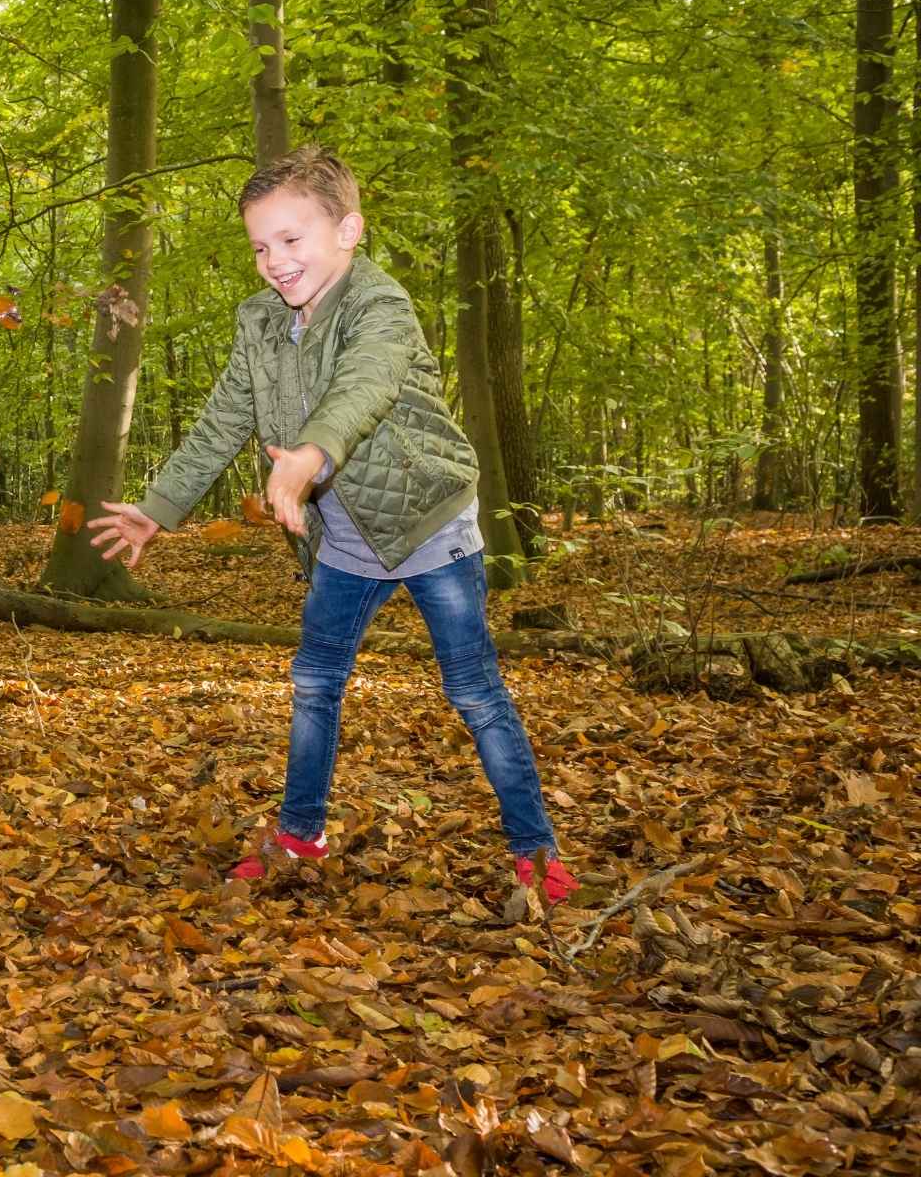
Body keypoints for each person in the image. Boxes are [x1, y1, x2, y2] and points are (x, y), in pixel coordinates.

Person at [87, 145, 579, 904]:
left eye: (291, 240)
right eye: (259, 246)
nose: (274, 262)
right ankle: (300, 834)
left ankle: (535, 852)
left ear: (348, 230)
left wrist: (310, 455)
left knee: (475, 692)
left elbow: (363, 386)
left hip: (428, 528)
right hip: (345, 545)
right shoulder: (258, 322)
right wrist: (159, 510)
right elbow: (223, 420)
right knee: (316, 683)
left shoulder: (381, 306)